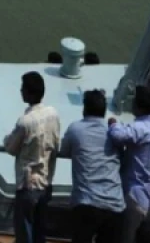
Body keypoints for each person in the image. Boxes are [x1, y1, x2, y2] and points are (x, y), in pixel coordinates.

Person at [108, 85, 150, 243]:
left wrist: (113, 123)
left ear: (139, 107)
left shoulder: (142, 128)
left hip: (135, 197)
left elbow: (118, 136)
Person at [59, 89, 123, 243]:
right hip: (114, 204)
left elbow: (64, 151)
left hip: (86, 202)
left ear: (85, 108)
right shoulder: (114, 131)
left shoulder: (75, 129)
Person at [4, 71, 60, 243]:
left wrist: (6, 139)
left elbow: (11, 148)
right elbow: (56, 143)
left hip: (27, 185)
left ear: (30, 93)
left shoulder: (25, 122)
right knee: (39, 233)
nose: (21, 91)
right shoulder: (53, 114)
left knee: (24, 233)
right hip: (46, 182)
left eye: (23, 88)